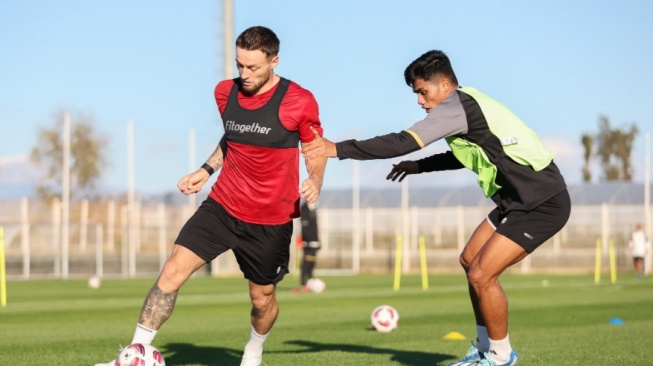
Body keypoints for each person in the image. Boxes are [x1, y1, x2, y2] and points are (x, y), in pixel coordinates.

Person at [302, 50, 571, 366]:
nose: (419, 99)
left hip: (542, 201)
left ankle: (500, 357)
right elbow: (461, 155)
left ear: (443, 85)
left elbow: (403, 140)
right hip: (516, 201)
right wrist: (418, 167)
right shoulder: (466, 104)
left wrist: (339, 149)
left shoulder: (454, 109)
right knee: (470, 260)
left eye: (422, 91)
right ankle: (485, 349)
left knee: (483, 274)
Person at [95, 26, 327, 366]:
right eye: (239, 66)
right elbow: (232, 138)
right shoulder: (224, 92)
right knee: (172, 270)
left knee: (262, 299)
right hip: (222, 205)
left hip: (269, 220)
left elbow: (315, 148)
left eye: (254, 68)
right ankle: (135, 354)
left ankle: (254, 349)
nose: (244, 75)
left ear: (274, 61)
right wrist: (206, 170)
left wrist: (316, 178)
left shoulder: (299, 100)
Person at [298, 200, 321, 291]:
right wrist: (307, 241)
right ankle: (303, 284)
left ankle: (310, 282)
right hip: (308, 243)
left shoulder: (313, 209)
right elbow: (305, 227)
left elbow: (314, 227)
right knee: (306, 264)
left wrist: (317, 241)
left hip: (314, 242)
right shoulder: (304, 209)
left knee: (312, 264)